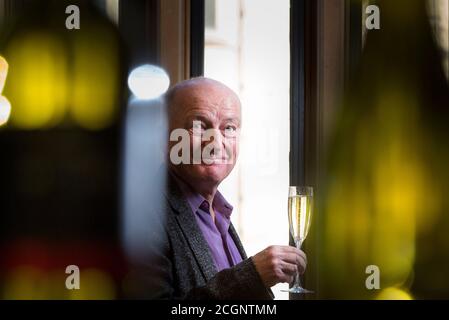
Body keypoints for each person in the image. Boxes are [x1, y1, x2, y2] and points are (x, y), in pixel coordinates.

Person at [133, 77, 307, 299]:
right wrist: (252, 276)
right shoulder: (143, 212)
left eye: (229, 128)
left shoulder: (218, 210)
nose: (216, 142)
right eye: (198, 125)